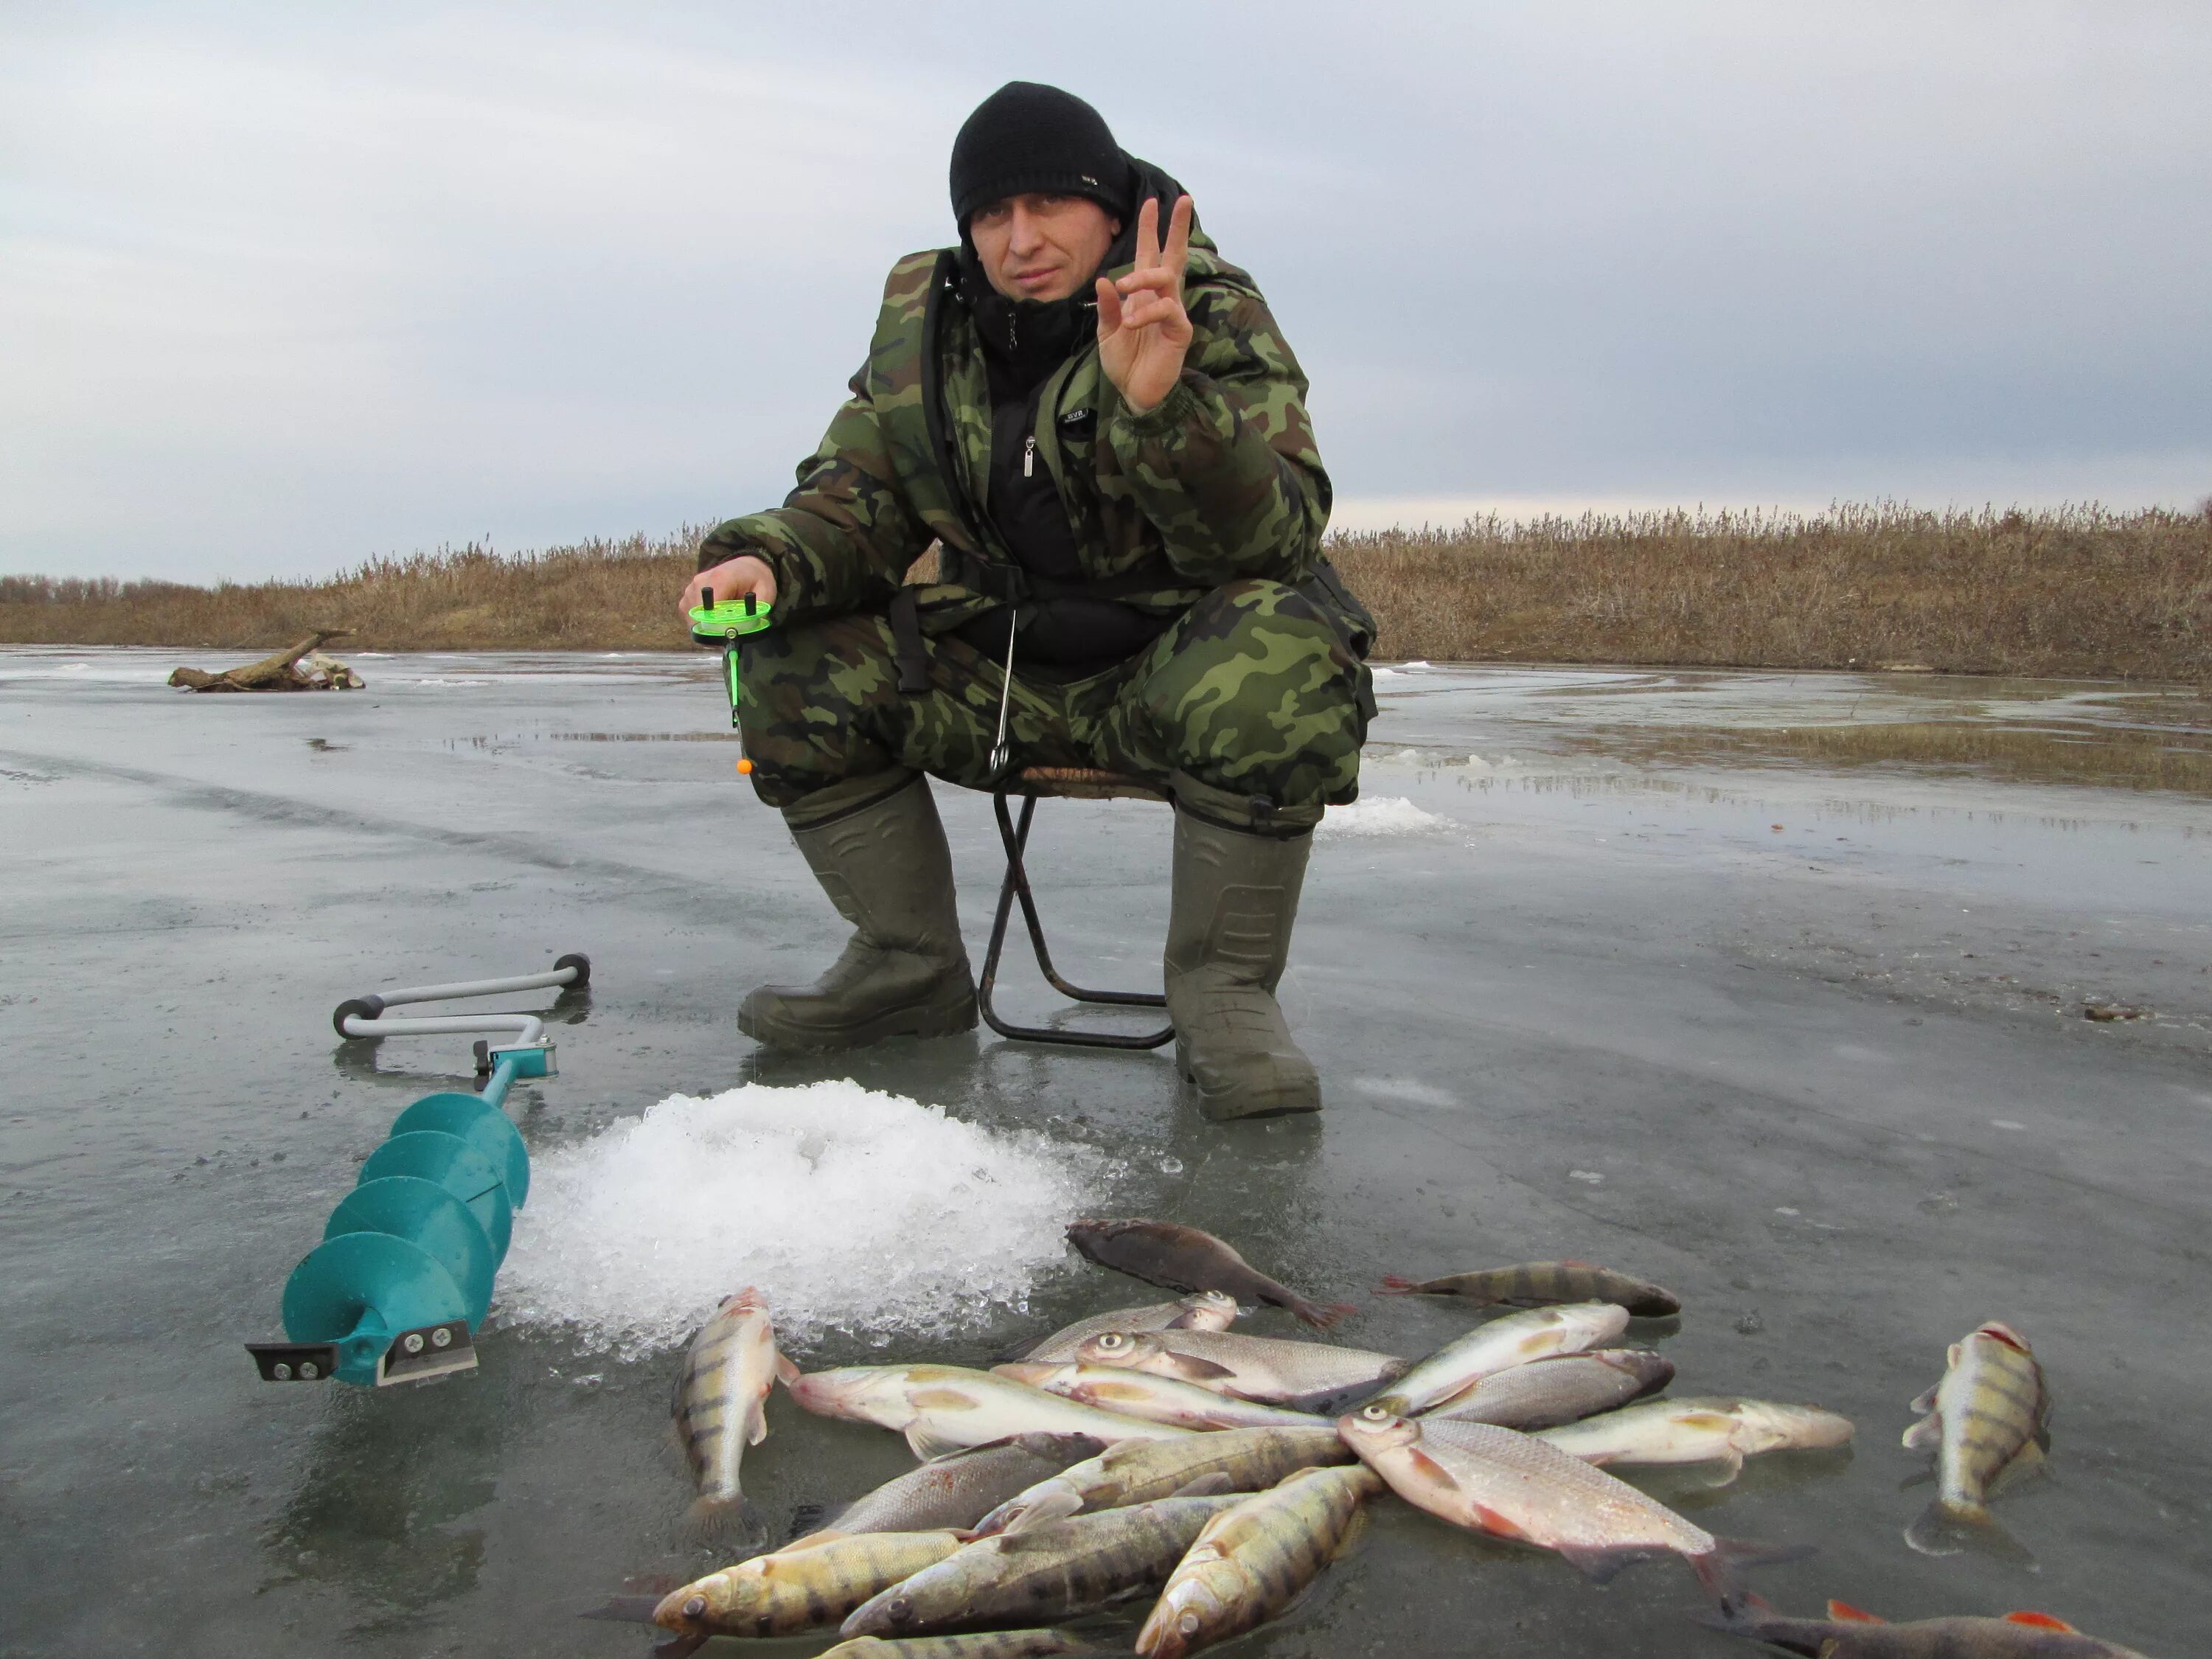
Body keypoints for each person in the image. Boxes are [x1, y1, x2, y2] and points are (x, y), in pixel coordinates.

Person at [679, 81, 1374, 1119]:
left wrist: (1164, 406)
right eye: (992, 215)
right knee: (788, 658)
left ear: (1108, 208)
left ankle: (1225, 995)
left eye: (1049, 204)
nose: (1022, 238)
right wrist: (769, 561)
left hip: (1171, 672)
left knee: (1280, 657)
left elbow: (1275, 537)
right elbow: (858, 496)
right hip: (1000, 677)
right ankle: (909, 968)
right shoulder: (929, 336)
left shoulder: (1202, 307)